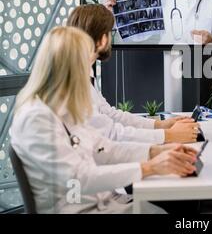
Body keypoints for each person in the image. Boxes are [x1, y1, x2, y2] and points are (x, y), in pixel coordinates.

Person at [9, 26, 198, 213]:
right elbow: (78, 178)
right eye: (86, 64)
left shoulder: (65, 108)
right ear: (70, 68)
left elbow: (104, 148)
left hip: (103, 203)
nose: (89, 73)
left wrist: (156, 151)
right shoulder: (35, 118)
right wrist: (150, 167)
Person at [67, 5, 199, 144]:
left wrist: (160, 126)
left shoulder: (83, 70)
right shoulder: (74, 81)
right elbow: (109, 134)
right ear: (103, 39)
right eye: (110, 32)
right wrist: (168, 136)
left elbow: (110, 115)